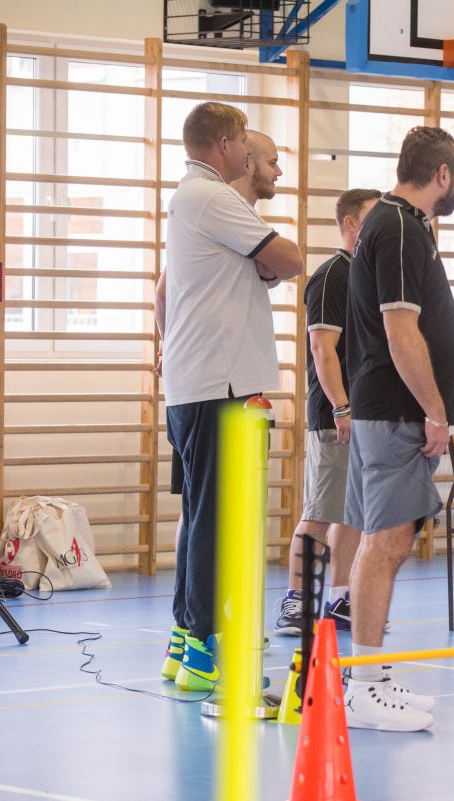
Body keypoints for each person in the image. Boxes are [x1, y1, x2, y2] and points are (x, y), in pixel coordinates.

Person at [159, 105, 303, 691]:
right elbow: (291, 259)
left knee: (200, 515)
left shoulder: (193, 199)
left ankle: (183, 641)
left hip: (198, 383)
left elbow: (166, 292)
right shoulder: (214, 197)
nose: (249, 151)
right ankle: (201, 648)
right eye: (244, 140)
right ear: (223, 143)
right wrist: (267, 263)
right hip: (219, 385)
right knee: (216, 520)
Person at [341, 126, 454, 731]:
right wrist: (435, 411)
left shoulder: (405, 225)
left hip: (393, 411)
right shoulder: (396, 226)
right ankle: (363, 687)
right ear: (442, 174)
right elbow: (399, 329)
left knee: (384, 541)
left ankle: (371, 673)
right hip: (394, 410)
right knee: (385, 542)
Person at [274, 188, 382, 636]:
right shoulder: (331, 276)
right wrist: (341, 405)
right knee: (319, 511)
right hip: (336, 414)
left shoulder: (368, 275)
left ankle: (339, 599)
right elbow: (322, 347)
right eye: (372, 218)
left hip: (367, 414)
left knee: (352, 511)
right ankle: (296, 599)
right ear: (351, 224)